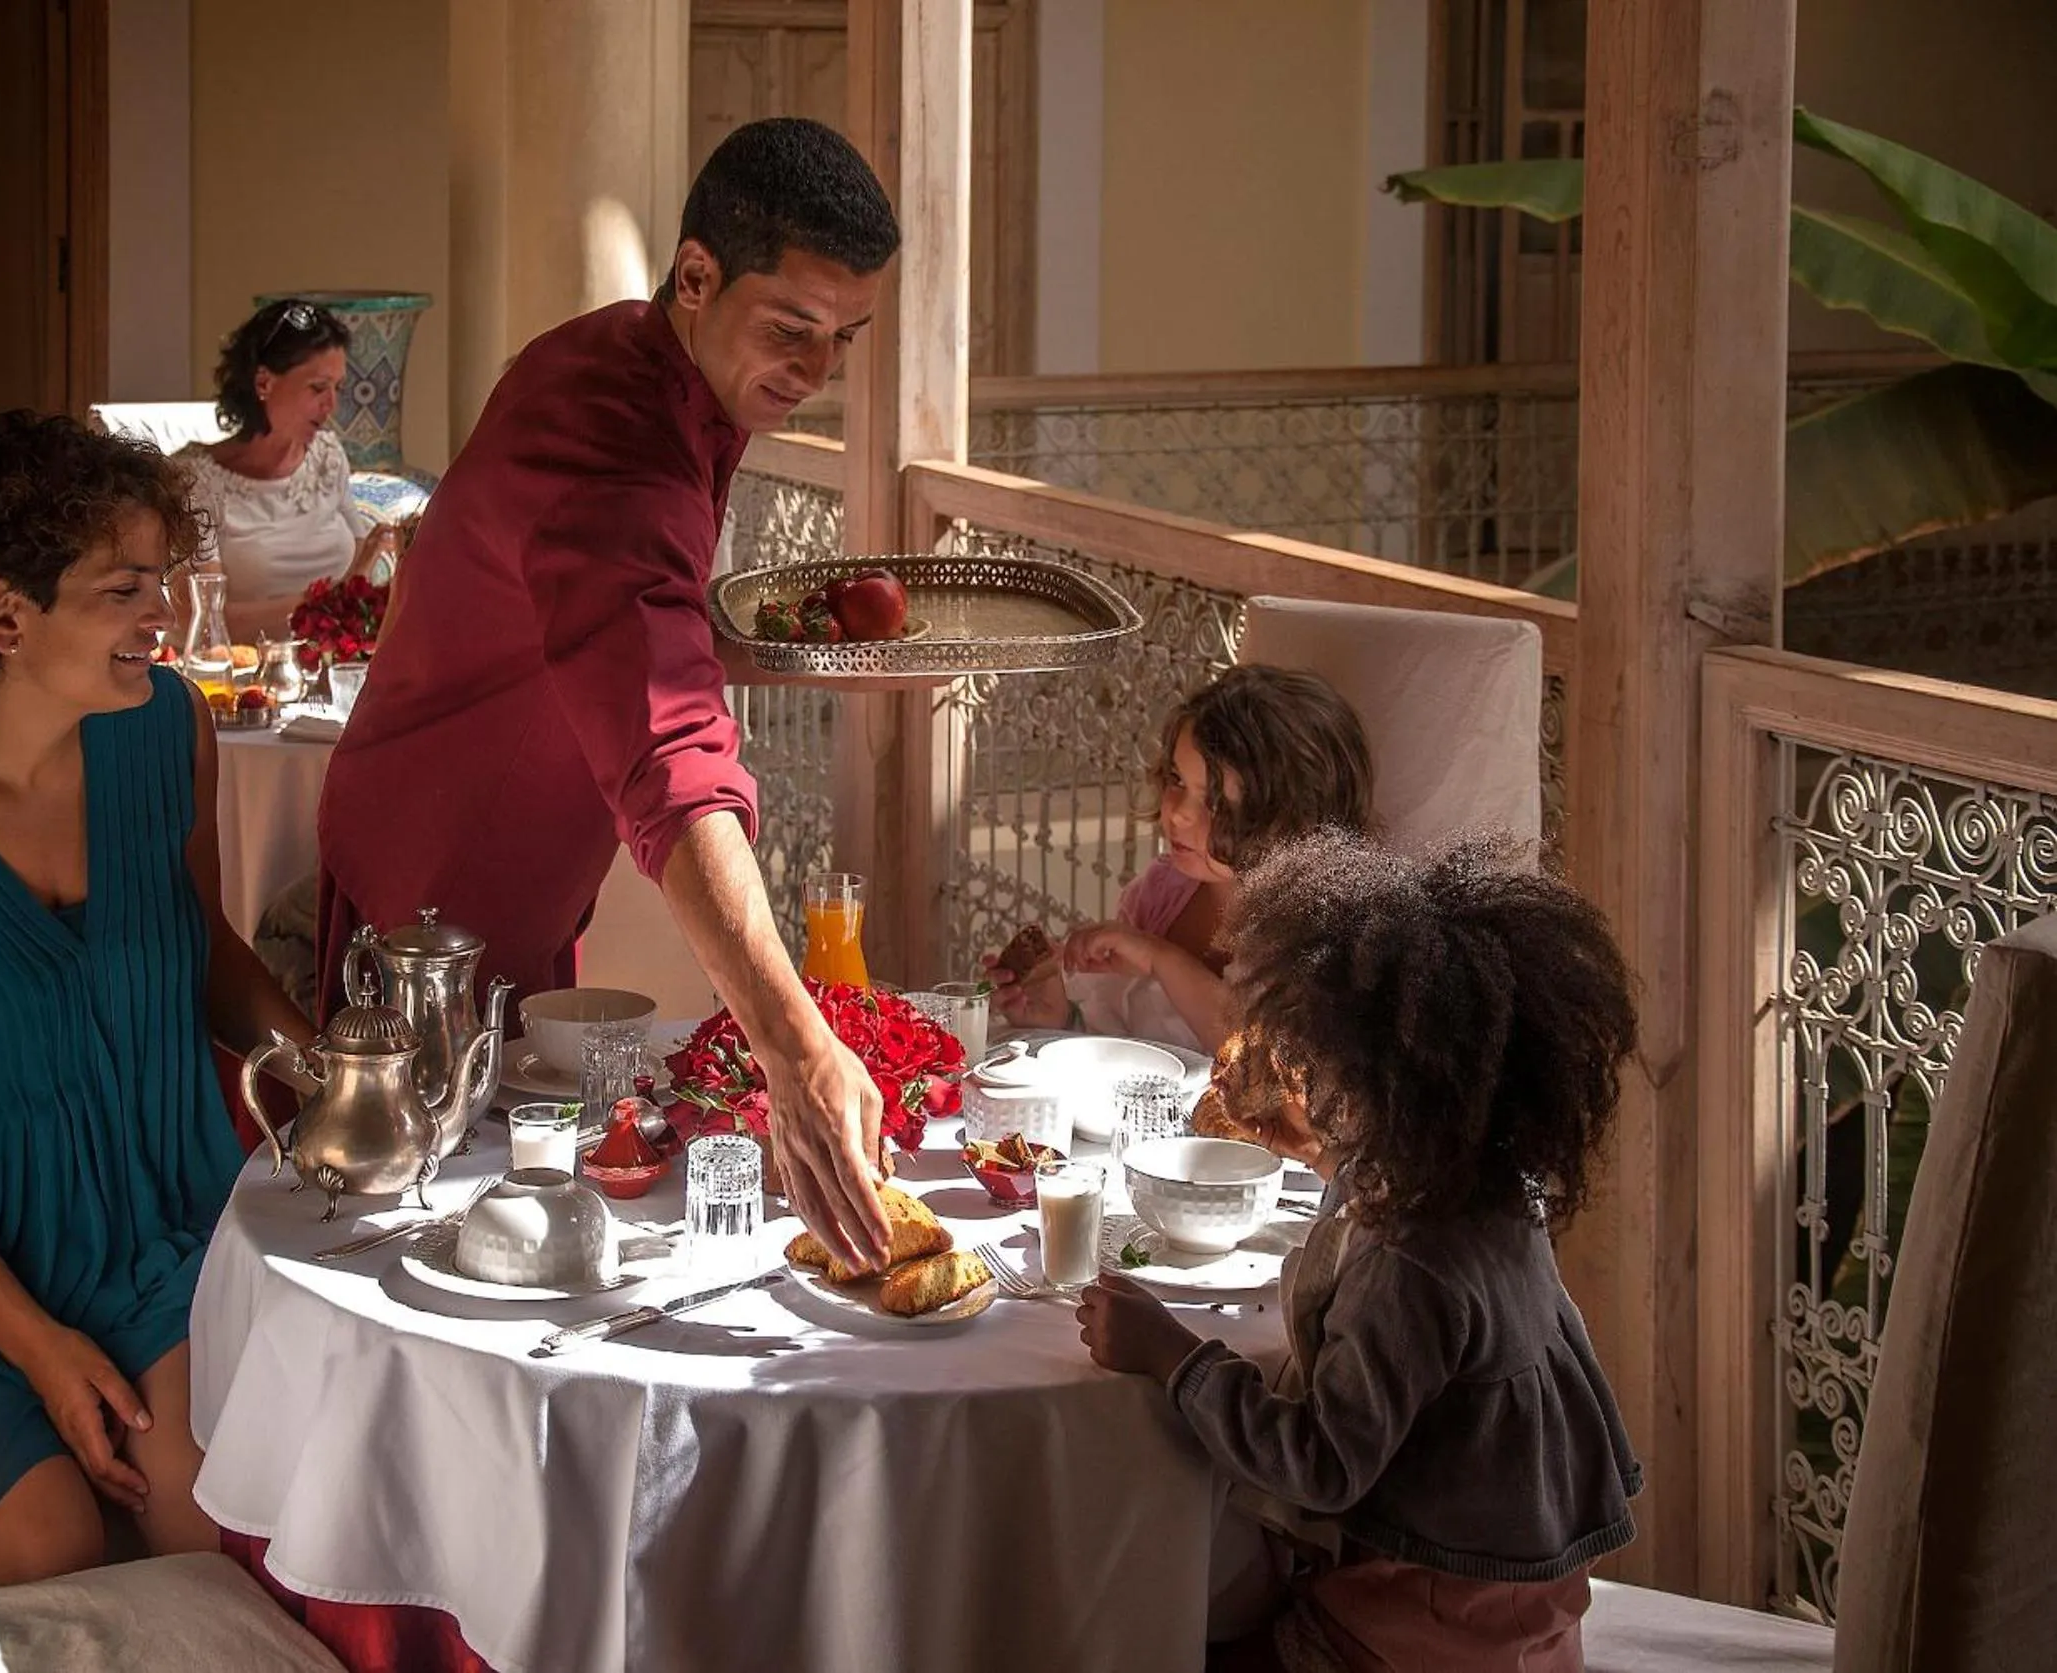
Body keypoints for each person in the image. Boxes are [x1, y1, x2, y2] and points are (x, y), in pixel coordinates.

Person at [315, 117, 903, 1268]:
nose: (816, 375)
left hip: (513, 862)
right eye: (790, 329)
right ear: (695, 275)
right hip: (434, 898)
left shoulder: (636, 350)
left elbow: (618, 617)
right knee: (424, 1237)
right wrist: (793, 1047)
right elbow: (671, 757)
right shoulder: (614, 437)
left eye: (844, 339)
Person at [0, 411, 317, 1609]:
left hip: (156, 1226)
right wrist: (39, 1348)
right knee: (47, 1547)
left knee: (202, 1523)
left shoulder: (168, 727)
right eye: (124, 591)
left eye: (162, 581)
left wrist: (335, 1073)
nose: (163, 618)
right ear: (4, 616)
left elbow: (202, 947)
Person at [1076, 831, 1643, 1673]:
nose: (1295, 1078)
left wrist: (1174, 1354)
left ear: (1380, 1082)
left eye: (1311, 1063)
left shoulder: (1408, 1262)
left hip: (1437, 1611)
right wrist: (1324, 1154)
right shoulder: (1485, 1182)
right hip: (1529, 1578)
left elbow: (1321, 1463)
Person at [989, 666, 1373, 1055]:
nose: (1177, 814)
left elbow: (1261, 1063)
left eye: (1215, 800)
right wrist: (1063, 1020)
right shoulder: (1160, 895)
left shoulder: (1319, 938)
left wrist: (1161, 959)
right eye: (1177, 780)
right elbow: (1132, 1040)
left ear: (1290, 817)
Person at [177, 298, 401, 636]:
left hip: (331, 658)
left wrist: (378, 553)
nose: (332, 405)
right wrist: (321, 604)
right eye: (318, 387)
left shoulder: (328, 456)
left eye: (337, 388)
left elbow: (356, 578)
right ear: (263, 383)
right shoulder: (195, 480)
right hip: (242, 663)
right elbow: (203, 617)